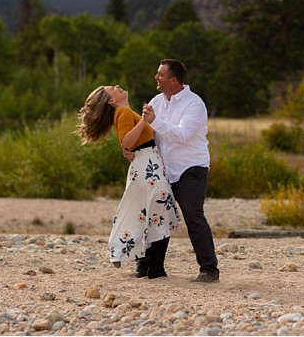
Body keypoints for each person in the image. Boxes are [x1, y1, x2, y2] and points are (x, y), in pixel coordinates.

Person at [76, 84, 179, 279]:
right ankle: (155, 268)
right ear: (112, 101)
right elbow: (127, 142)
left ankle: (145, 267)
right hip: (147, 169)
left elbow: (130, 142)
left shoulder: (126, 111)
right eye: (112, 88)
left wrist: (143, 122)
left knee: (151, 215)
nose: (117, 86)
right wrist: (144, 122)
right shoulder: (122, 111)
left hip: (146, 166)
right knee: (161, 213)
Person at [138, 59, 220, 283]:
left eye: (160, 74)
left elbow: (182, 135)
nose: (156, 77)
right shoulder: (157, 101)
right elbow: (149, 134)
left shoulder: (195, 104)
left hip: (190, 168)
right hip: (163, 169)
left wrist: (155, 121)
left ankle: (209, 270)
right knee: (157, 216)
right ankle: (150, 267)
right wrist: (132, 150)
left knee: (193, 216)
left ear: (173, 80)